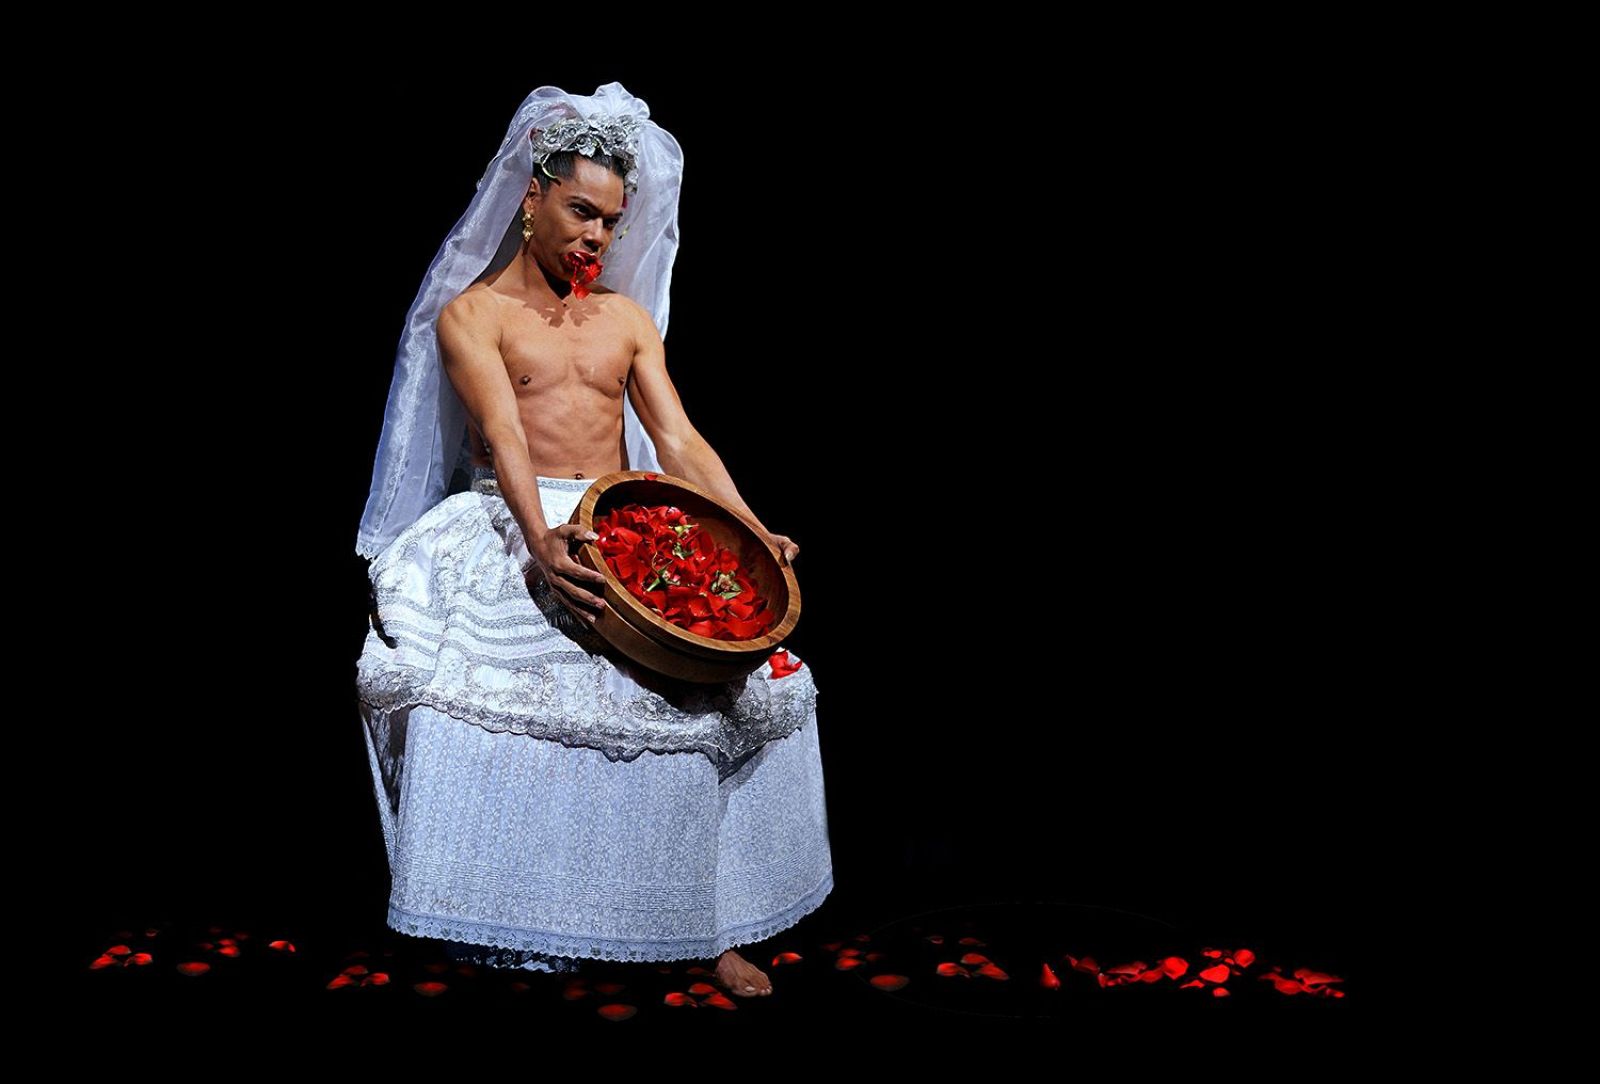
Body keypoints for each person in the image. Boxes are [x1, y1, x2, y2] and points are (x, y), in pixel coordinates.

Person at [353, 83, 832, 997]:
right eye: (580, 212)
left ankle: (706, 926)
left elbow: (679, 436)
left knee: (712, 703)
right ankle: (523, 923)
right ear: (531, 197)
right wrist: (541, 544)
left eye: (611, 223)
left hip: (627, 517)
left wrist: (750, 528)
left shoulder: (622, 316)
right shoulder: (473, 315)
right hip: (520, 515)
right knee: (473, 698)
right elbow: (499, 433)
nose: (595, 239)